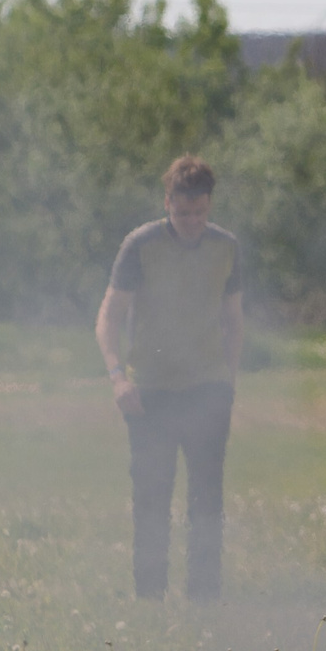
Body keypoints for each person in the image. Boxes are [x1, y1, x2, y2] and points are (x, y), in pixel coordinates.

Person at [96, 156, 245, 602]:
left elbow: (233, 320)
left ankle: (204, 601)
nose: (191, 222)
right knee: (152, 500)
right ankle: (149, 602)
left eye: (199, 213)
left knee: (206, 502)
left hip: (207, 389)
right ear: (168, 204)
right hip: (150, 392)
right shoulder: (139, 246)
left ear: (209, 205)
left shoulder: (227, 248)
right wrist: (118, 377)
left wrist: (228, 383)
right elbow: (109, 316)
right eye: (182, 214)